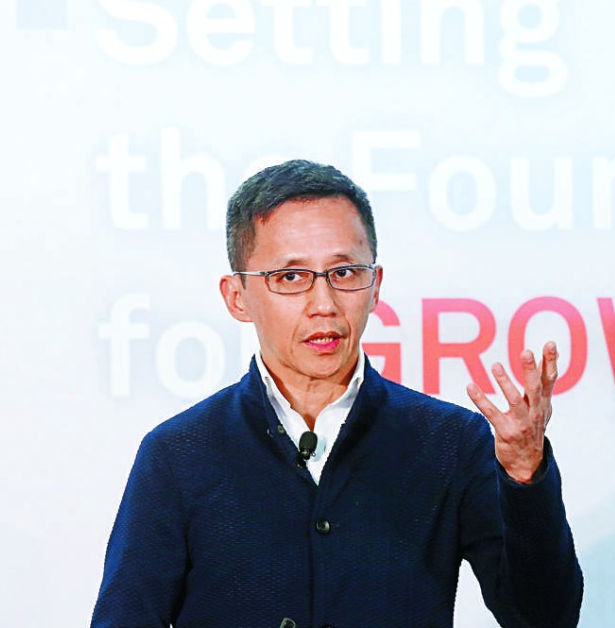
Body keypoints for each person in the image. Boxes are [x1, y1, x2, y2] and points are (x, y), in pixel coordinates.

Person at [91, 160, 583, 628]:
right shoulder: (179, 454)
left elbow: (543, 618)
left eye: (345, 273)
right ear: (237, 296)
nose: (323, 304)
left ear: (375, 286)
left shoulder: (450, 442)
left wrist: (524, 475)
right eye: (290, 277)